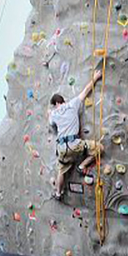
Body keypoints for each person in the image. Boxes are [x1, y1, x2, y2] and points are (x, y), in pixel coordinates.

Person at [49, 70, 104, 199]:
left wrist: (50, 113)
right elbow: (86, 90)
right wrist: (95, 77)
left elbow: (51, 124)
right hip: (76, 144)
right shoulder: (72, 104)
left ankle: (58, 194)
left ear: (56, 104)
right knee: (99, 148)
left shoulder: (54, 114)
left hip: (62, 148)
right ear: (62, 101)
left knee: (61, 171)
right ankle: (82, 165)